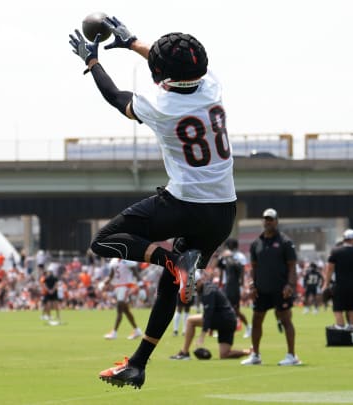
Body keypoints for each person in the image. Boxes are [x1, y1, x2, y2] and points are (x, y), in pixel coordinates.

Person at [69, 16, 236, 389]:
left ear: (161, 75)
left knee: (104, 241)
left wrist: (92, 61)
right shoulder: (212, 86)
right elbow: (173, 72)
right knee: (168, 287)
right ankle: (138, 363)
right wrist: (133, 43)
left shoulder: (162, 107)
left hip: (184, 202)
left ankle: (173, 260)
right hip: (223, 209)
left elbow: (116, 98)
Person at [241, 208, 301, 366]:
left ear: (276, 221)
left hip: (281, 288)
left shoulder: (285, 242)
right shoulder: (256, 243)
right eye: (265, 219)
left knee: (286, 319)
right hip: (261, 289)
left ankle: (291, 355)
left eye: (271, 219)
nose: (268, 222)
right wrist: (252, 285)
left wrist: (290, 285)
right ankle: (256, 355)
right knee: (256, 320)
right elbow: (253, 267)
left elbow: (292, 267)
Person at [170, 276, 250, 360]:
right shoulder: (207, 288)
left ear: (200, 281)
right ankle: (249, 352)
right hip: (230, 320)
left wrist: (202, 335)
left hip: (224, 319)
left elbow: (209, 313)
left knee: (190, 320)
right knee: (224, 354)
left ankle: (184, 353)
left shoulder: (207, 291)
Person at [324, 229, 353, 329]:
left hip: (340, 285)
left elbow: (330, 269)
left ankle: (340, 326)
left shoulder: (335, 252)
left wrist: (326, 284)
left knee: (338, 309)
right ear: (352, 240)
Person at [103, 259, 143, 340]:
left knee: (119, 309)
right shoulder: (113, 261)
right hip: (118, 287)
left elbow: (136, 274)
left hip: (126, 287)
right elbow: (111, 275)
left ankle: (114, 332)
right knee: (126, 311)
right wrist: (104, 283)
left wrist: (141, 287)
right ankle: (137, 330)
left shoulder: (128, 260)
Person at [216, 248, 250, 337]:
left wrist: (242, 287)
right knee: (225, 309)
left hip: (234, 290)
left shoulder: (235, 264)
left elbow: (240, 274)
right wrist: (221, 257)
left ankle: (248, 327)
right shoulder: (227, 264)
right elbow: (219, 265)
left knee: (235, 311)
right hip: (228, 288)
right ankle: (222, 329)